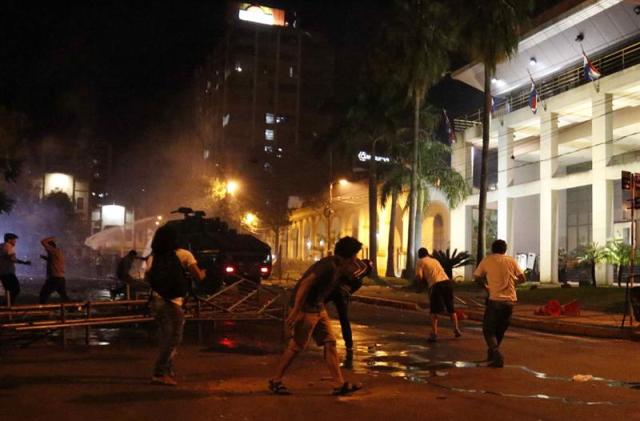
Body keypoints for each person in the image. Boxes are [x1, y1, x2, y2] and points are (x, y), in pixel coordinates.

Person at [269, 236, 365, 396]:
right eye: (354, 255)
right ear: (348, 255)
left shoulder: (339, 267)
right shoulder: (328, 266)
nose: (356, 258)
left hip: (318, 307)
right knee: (296, 346)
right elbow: (306, 283)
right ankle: (275, 380)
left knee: (330, 342)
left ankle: (338, 384)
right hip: (305, 308)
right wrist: (296, 310)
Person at [147, 225, 206, 386]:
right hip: (172, 302)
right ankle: (159, 373)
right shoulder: (184, 254)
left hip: (157, 301)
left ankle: (167, 369)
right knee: (174, 339)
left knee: (166, 337)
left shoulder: (154, 256)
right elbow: (198, 277)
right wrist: (204, 272)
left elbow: (148, 277)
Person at [473, 239, 526, 368]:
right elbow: (523, 278)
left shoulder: (487, 260)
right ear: (505, 249)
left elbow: (477, 276)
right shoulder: (511, 260)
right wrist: (513, 285)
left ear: (492, 249)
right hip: (510, 301)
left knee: (488, 330)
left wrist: (486, 287)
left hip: (495, 299)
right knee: (500, 330)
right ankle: (492, 354)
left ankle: (496, 353)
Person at [324, 259, 372, 368]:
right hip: (341, 294)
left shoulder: (355, 272)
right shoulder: (359, 279)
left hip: (336, 291)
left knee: (322, 306)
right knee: (344, 319)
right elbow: (349, 290)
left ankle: (348, 343)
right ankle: (349, 344)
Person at [415, 247, 461, 342]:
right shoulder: (434, 260)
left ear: (419, 255)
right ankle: (456, 329)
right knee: (450, 308)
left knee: (434, 310)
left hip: (436, 285)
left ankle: (434, 333)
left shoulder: (420, 261)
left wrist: (419, 286)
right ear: (427, 254)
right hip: (447, 282)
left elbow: (419, 276)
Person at [0, 233, 31, 305]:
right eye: (14, 240)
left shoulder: (1, 246)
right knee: (16, 290)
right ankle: (6, 306)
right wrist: (25, 262)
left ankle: (6, 307)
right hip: (8, 273)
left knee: (9, 290)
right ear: (9, 240)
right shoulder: (8, 246)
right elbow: (12, 258)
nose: (15, 241)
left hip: (2, 272)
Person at [39, 237, 70, 304]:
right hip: (61, 278)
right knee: (64, 296)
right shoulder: (58, 252)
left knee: (43, 294)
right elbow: (53, 261)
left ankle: (42, 310)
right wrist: (44, 257)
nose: (45, 249)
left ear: (51, 247)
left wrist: (52, 238)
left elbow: (43, 242)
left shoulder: (53, 250)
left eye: (47, 248)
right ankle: (72, 308)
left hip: (54, 278)